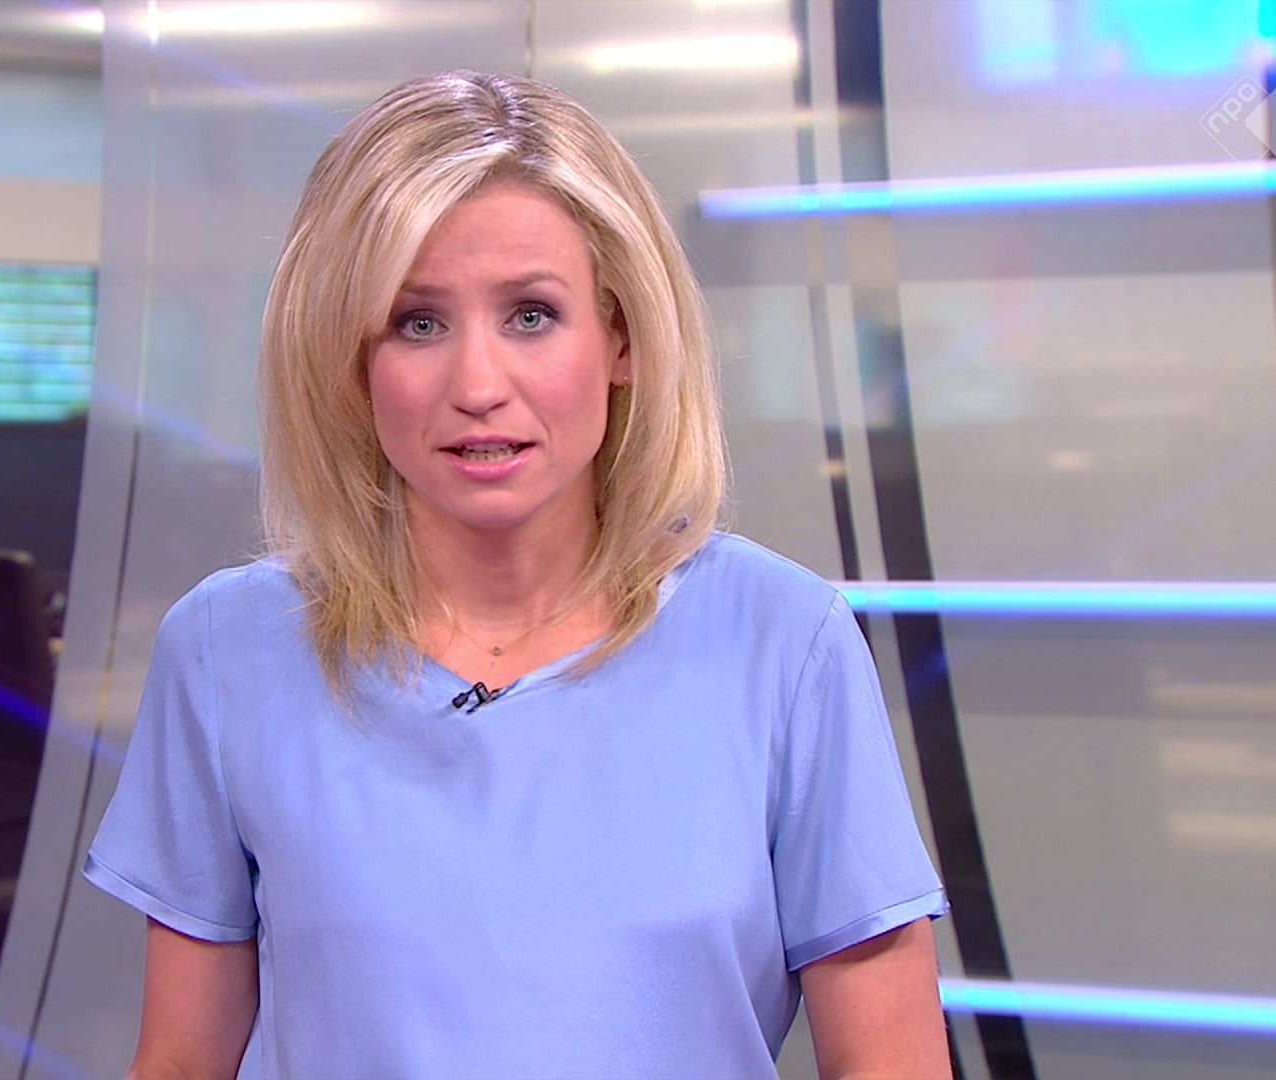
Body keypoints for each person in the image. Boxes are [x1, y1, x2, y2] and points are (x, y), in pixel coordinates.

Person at [82, 70, 950, 1080]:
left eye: (532, 315)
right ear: (347, 359)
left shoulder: (784, 642)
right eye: (418, 323)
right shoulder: (227, 651)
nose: (479, 386)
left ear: (620, 337)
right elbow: (181, 1066)